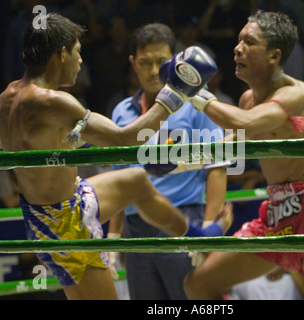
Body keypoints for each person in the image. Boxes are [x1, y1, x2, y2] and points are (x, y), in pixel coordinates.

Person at [0, 13, 232, 300]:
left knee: (136, 180)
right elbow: (126, 138)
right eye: (78, 53)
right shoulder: (53, 101)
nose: (81, 62)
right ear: (62, 54)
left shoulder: (7, 96)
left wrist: (61, 141)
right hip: (67, 223)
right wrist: (174, 93)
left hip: (51, 210)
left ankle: (197, 236)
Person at [168, 10, 304, 299]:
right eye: (239, 40)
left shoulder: (296, 95)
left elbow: (244, 122)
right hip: (277, 210)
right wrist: (177, 162)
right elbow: (230, 144)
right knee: (198, 284)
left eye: (249, 42)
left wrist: (194, 91)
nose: (238, 48)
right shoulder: (248, 100)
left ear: (274, 56)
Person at [108, 23, 229, 300]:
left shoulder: (197, 104)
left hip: (184, 223)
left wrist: (208, 232)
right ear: (132, 63)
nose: (153, 71)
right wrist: (113, 241)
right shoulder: (121, 112)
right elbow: (119, 180)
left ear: (174, 61)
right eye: (144, 62)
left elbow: (217, 166)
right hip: (137, 230)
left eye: (160, 62)